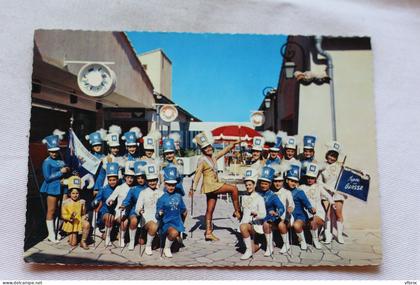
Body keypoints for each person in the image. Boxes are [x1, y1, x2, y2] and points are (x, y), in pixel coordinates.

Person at [190, 132, 241, 241]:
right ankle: (237, 211)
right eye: (205, 148)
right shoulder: (202, 160)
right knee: (234, 189)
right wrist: (193, 188)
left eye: (208, 147)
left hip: (212, 186)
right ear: (202, 150)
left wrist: (233, 144)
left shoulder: (213, 157)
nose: (208, 149)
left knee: (210, 210)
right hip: (211, 185)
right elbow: (198, 174)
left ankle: (208, 232)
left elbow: (224, 151)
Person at [40, 130, 70, 243]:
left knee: (59, 210)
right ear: (48, 151)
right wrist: (61, 172)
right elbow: (47, 177)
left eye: (56, 151)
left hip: (62, 187)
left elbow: (65, 169)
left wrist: (67, 169)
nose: (54, 153)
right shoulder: (46, 162)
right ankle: (51, 234)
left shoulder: (60, 159)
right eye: (52, 151)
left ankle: (56, 231)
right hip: (52, 188)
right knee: (51, 210)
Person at [300, 163, 335, 249]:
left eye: (312, 178)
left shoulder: (318, 186)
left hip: (318, 213)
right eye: (308, 177)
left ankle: (315, 240)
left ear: (315, 179)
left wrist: (332, 203)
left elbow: (328, 196)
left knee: (314, 221)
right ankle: (301, 240)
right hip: (306, 212)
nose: (310, 180)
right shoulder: (301, 187)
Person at [156, 166, 188, 258]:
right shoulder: (161, 199)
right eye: (169, 185)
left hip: (177, 222)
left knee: (176, 234)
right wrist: (160, 213)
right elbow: (157, 216)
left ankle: (172, 239)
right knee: (174, 233)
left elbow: (183, 210)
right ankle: (166, 248)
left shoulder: (178, 196)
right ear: (165, 185)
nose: (171, 187)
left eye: (173, 185)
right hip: (166, 223)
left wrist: (182, 219)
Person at [320, 141, 346, 244]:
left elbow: (350, 172)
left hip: (337, 193)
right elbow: (318, 181)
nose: (332, 158)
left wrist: (361, 172)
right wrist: (328, 188)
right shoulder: (322, 166)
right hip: (326, 193)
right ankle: (328, 236)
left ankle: (339, 235)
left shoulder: (340, 165)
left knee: (338, 214)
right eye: (330, 155)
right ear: (327, 155)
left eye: (334, 156)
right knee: (328, 215)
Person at [134, 164, 163, 255]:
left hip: (159, 218)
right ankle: (148, 246)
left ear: (157, 181)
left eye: (154, 180)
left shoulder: (161, 193)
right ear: (147, 181)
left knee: (156, 245)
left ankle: (153, 238)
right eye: (150, 181)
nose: (152, 183)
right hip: (146, 219)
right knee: (153, 226)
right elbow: (137, 207)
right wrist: (139, 211)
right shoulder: (143, 192)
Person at [285, 163, 315, 250]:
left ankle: (302, 241)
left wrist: (311, 208)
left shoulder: (299, 192)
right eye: (291, 180)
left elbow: (307, 203)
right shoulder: (284, 191)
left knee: (297, 225)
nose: (293, 183)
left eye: (295, 181)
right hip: (288, 215)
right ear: (287, 180)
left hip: (299, 215)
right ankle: (283, 242)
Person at [119, 160, 148, 250]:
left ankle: (145, 236)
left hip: (146, 211)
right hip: (134, 210)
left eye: (142, 177)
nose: (140, 180)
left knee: (142, 242)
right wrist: (123, 205)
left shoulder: (149, 187)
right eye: (138, 178)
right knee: (134, 220)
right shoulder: (133, 189)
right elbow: (127, 199)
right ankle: (132, 241)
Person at [105, 162, 135, 247]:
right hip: (120, 211)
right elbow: (111, 197)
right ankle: (110, 238)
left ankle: (124, 238)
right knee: (124, 221)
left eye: (132, 178)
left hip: (131, 211)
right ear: (125, 178)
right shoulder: (120, 187)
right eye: (128, 177)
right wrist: (110, 201)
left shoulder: (134, 188)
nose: (130, 180)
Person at [239, 168, 266, 260]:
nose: (248, 187)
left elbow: (263, 214)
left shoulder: (259, 198)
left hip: (255, 225)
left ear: (254, 185)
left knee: (243, 227)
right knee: (253, 248)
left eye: (250, 185)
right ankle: (257, 245)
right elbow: (244, 212)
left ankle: (249, 250)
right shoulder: (243, 197)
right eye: (246, 185)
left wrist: (256, 214)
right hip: (246, 223)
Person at [257, 166, 285, 257]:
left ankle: (269, 247)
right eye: (262, 183)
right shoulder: (258, 193)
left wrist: (277, 213)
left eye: (265, 184)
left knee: (266, 224)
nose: (263, 186)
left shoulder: (273, 196)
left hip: (269, 215)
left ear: (269, 184)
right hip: (259, 215)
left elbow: (281, 207)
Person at [91, 162, 119, 247]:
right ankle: (107, 238)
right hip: (105, 212)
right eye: (110, 180)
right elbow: (95, 200)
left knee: (117, 236)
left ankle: (104, 234)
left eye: (114, 180)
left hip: (116, 212)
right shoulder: (103, 189)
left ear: (117, 180)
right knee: (109, 217)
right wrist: (94, 202)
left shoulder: (120, 188)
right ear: (107, 180)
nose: (112, 182)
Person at [61, 176, 90, 249]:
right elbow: (63, 214)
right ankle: (71, 235)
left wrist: (84, 216)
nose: (75, 195)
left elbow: (83, 213)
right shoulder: (66, 202)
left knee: (87, 224)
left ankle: (83, 241)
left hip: (78, 220)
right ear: (69, 194)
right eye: (73, 193)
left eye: (77, 193)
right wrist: (69, 218)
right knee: (73, 243)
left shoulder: (81, 202)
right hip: (71, 222)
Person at [273, 168, 295, 254]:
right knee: (267, 223)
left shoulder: (287, 192)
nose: (277, 184)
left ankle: (286, 244)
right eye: (275, 182)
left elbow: (291, 204)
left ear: (283, 182)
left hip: (287, 216)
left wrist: (290, 208)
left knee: (281, 224)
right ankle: (270, 243)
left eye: (280, 181)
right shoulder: (272, 192)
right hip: (276, 216)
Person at [86, 129, 107, 194]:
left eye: (99, 145)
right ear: (92, 146)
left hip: (101, 182)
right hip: (90, 182)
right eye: (95, 145)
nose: (97, 147)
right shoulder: (89, 156)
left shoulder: (104, 156)